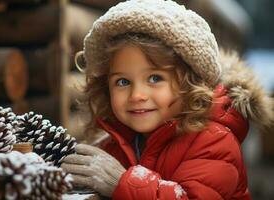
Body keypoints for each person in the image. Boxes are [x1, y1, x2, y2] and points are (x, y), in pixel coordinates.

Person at [61, 0, 274, 199]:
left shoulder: (215, 142)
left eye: (155, 78)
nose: (137, 95)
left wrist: (122, 183)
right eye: (123, 82)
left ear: (190, 85)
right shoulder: (116, 142)